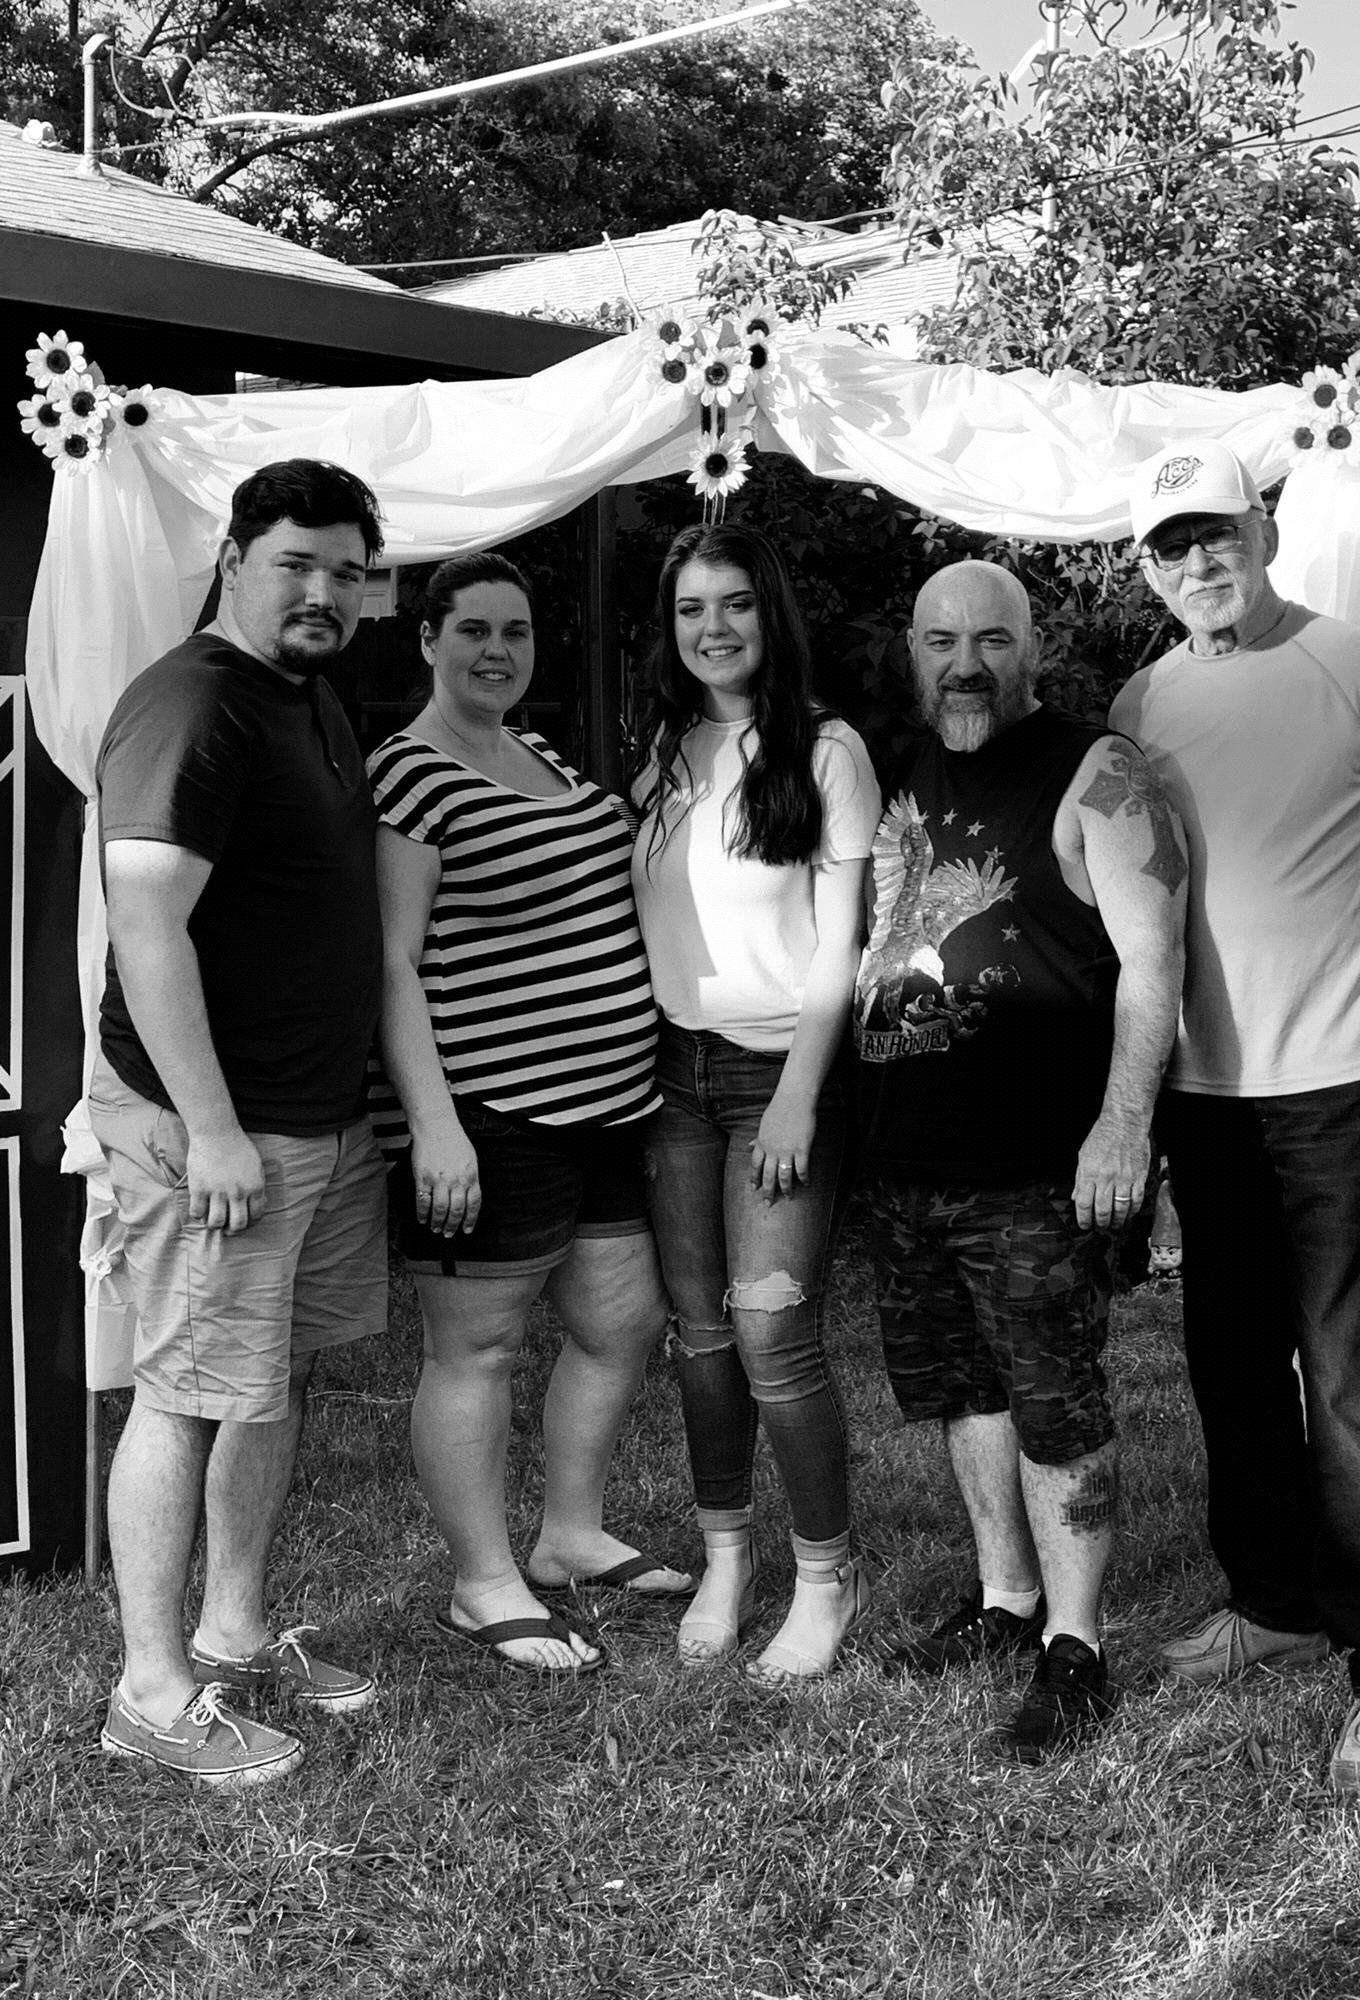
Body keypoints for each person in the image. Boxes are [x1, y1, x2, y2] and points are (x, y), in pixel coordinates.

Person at [1111, 440, 1360, 1794]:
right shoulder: (1142, 699)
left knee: (1349, 1382)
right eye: (1170, 545)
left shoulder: (1359, 665)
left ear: (1262, 532)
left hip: (1342, 1086)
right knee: (1228, 1363)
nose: (1198, 560)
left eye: (1216, 532)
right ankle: (1272, 1602)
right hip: (1206, 1094)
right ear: (1147, 568)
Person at [859, 559, 1187, 1760]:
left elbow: (1155, 962)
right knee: (964, 1389)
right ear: (912, 648)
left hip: (1038, 1161)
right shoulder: (900, 765)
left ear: (1031, 649)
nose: (966, 664)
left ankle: (1076, 1643)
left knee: (1056, 1399)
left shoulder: (1096, 769)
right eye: (941, 640)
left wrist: (1124, 1124)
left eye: (991, 640)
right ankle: (1005, 1599)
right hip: (908, 1158)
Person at [92, 459, 389, 1786]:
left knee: (266, 1382)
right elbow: (146, 922)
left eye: (347, 571)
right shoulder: (194, 702)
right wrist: (210, 1127)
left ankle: (234, 1631)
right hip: (216, 1124)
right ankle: (152, 1693)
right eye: (296, 564)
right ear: (231, 559)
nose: (324, 591)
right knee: (184, 1394)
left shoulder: (305, 694)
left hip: (310, 1117)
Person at [371, 551, 686, 1679]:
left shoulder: (537, 752)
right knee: (479, 1348)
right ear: (427, 640)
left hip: (604, 1110)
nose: (497, 651)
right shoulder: (409, 776)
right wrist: (434, 1124)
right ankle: (482, 1583)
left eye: (515, 631)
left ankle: (570, 1533)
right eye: (473, 630)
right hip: (491, 1114)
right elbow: (391, 962)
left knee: (621, 1322)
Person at [631, 523, 881, 1680]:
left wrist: (797, 1097)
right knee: (701, 1335)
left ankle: (827, 1573)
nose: (713, 627)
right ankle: (726, 1559)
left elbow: (842, 945)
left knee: (774, 1330)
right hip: (670, 1079)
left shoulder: (826, 750)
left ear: (768, 613)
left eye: (734, 603)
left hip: (779, 1075)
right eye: (691, 608)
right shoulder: (664, 751)